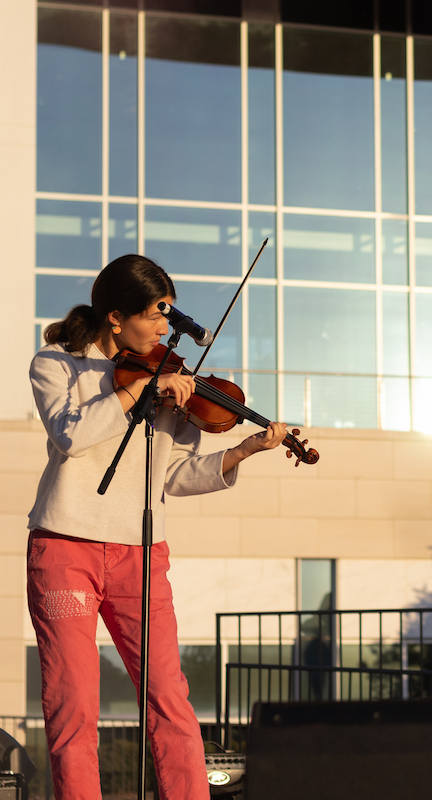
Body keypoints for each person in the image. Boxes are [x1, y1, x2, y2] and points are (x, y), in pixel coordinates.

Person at [27, 254, 289, 800]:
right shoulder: (58, 364)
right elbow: (72, 436)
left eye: (170, 317)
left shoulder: (172, 380)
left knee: (168, 695)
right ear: (117, 318)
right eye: (157, 315)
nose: (168, 330)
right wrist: (138, 392)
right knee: (73, 702)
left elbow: (173, 475)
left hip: (141, 553)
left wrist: (242, 449)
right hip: (65, 548)